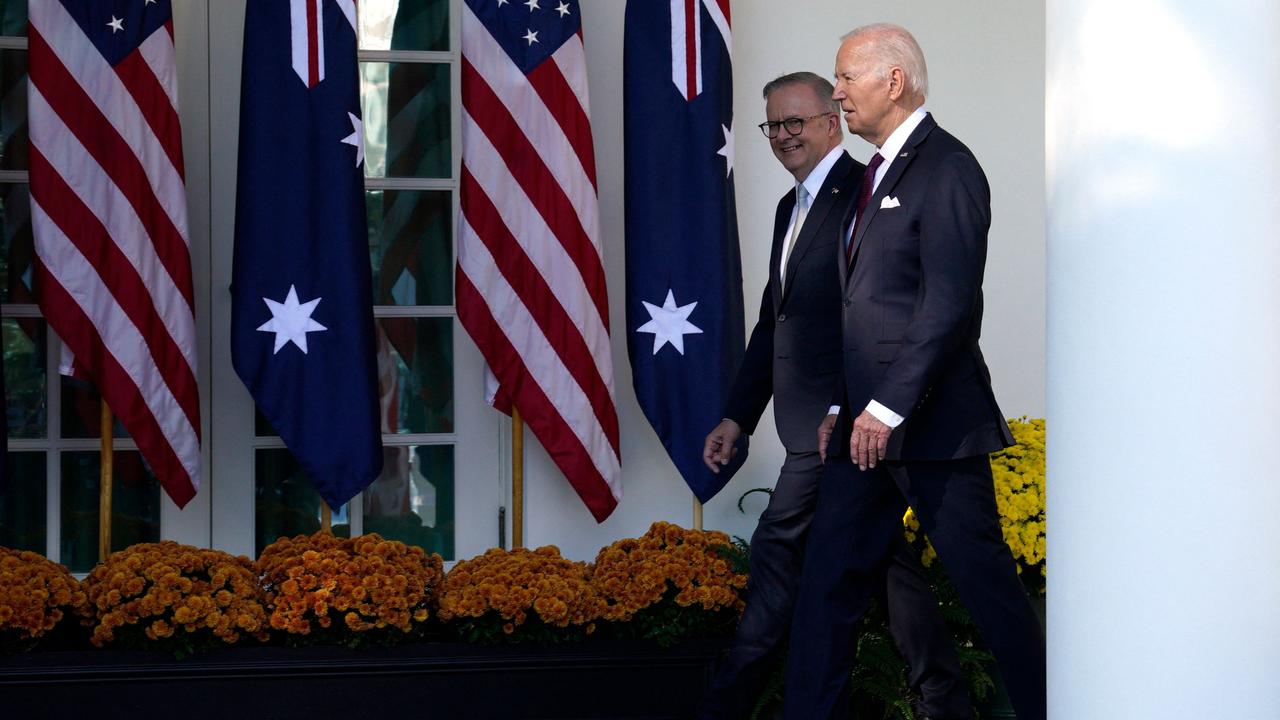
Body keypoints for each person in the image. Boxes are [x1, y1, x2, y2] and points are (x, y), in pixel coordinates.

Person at [784, 24, 1047, 720]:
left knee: (988, 592)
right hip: (863, 435)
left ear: (892, 82)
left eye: (845, 77)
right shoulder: (869, 175)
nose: (835, 92)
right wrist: (845, 407)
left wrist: (888, 407)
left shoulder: (949, 167)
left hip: (933, 430)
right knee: (829, 584)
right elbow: (865, 312)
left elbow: (948, 306)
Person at [698, 72, 967, 720]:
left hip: (840, 426)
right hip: (807, 424)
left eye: (797, 122)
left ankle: (727, 702)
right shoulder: (790, 209)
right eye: (774, 125)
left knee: (776, 549)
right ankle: (945, 699)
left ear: (831, 122)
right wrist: (738, 414)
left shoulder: (864, 198)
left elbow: (882, 318)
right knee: (883, 564)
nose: (784, 136)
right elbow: (777, 322)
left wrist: (845, 406)